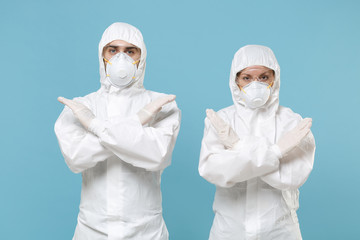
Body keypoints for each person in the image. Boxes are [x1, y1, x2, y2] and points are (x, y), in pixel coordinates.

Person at [54, 22, 181, 240]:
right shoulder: (81, 106)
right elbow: (76, 157)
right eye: (113, 50)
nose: (121, 59)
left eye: (130, 51)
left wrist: (94, 126)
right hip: (91, 229)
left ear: (141, 58)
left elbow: (157, 154)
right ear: (102, 55)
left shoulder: (161, 104)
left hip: (146, 230)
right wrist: (137, 125)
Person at [199, 45, 315, 240]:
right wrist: (277, 152)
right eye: (247, 78)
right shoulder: (221, 121)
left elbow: (293, 177)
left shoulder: (292, 123)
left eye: (263, 77)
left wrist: (237, 150)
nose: (256, 84)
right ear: (235, 80)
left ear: (274, 79)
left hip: (280, 228)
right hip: (229, 228)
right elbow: (213, 170)